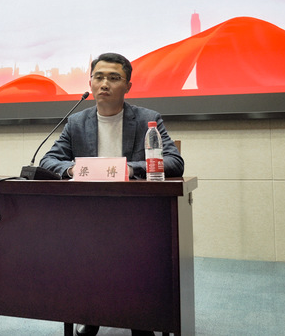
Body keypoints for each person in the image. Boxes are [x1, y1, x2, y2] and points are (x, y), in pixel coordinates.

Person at [39, 52, 183, 336]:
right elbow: (48, 161)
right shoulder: (76, 122)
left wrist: (130, 169)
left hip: (136, 212)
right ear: (90, 83)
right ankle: (91, 311)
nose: (104, 84)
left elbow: (174, 162)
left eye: (114, 78)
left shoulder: (147, 120)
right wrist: (72, 169)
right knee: (80, 249)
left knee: (135, 252)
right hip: (89, 214)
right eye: (99, 77)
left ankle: (141, 318)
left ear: (128, 86)